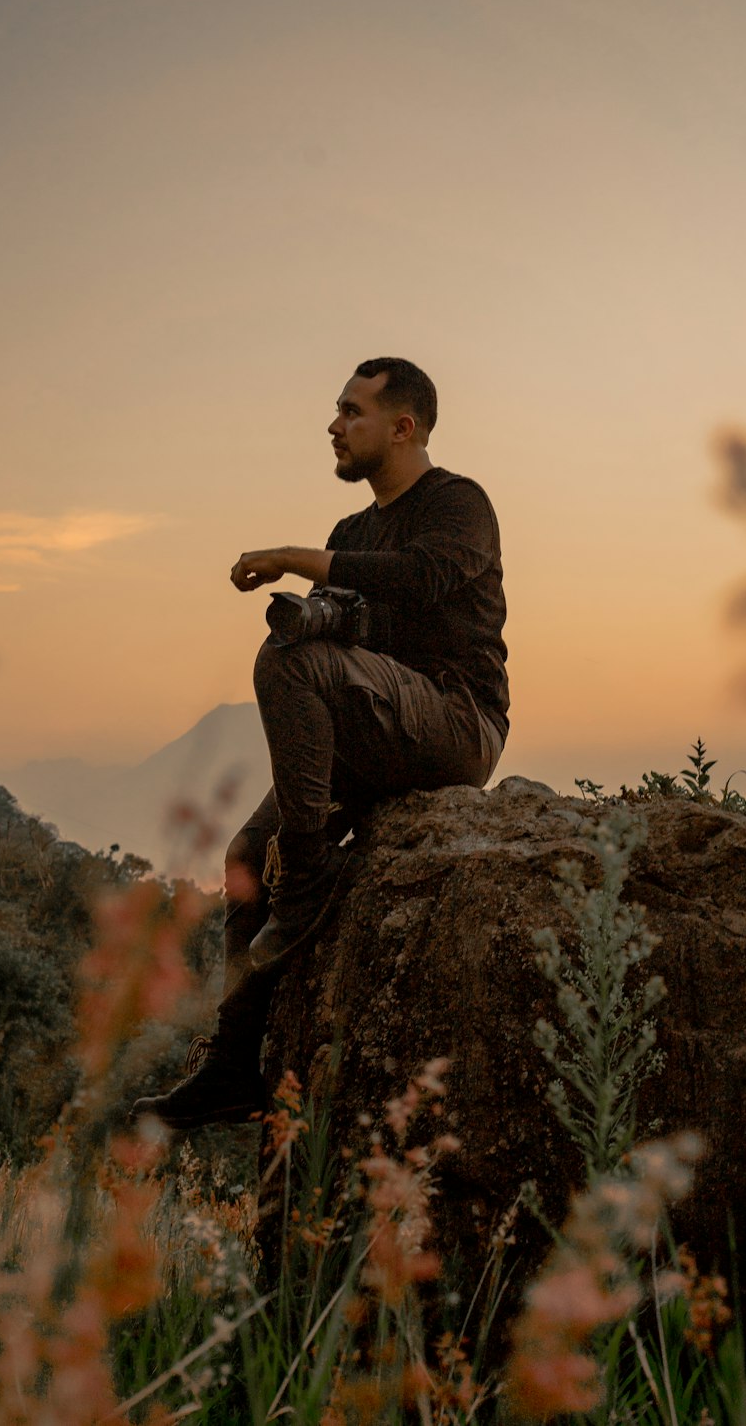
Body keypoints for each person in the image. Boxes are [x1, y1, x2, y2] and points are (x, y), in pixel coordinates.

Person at [132, 358, 508, 1129]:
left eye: (351, 412)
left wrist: (296, 559)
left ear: (403, 426)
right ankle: (233, 1065)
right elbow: (344, 634)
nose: (333, 426)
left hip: (455, 723)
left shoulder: (458, 504)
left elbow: (420, 578)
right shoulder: (351, 530)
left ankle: (306, 875)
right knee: (242, 859)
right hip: (370, 729)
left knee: (287, 660)